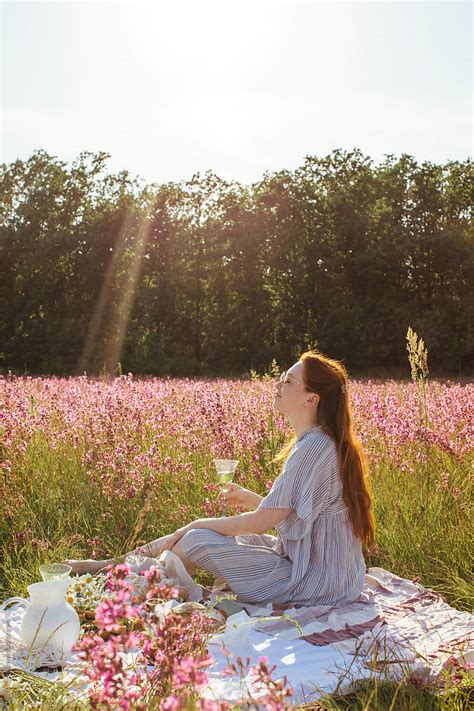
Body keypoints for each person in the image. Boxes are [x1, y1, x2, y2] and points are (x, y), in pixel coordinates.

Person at [67, 349, 376, 608]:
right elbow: (297, 513)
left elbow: (257, 523)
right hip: (327, 574)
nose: (278, 384)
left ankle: (124, 574)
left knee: (196, 538)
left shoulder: (314, 447)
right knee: (209, 537)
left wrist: (197, 522)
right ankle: (117, 566)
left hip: (314, 583)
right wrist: (253, 498)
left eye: (289, 381)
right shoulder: (319, 442)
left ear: (312, 399)